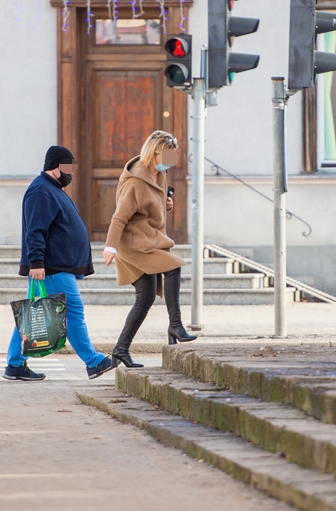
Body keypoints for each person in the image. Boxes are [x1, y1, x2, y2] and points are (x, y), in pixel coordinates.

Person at [4, 146, 114, 381]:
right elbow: (35, 230)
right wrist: (36, 261)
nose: (71, 173)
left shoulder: (51, 188)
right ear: (56, 166)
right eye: (68, 167)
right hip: (51, 267)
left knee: (31, 314)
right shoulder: (41, 191)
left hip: (55, 266)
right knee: (73, 313)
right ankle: (93, 361)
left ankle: (15, 364)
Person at [103, 131, 195, 368]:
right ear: (154, 153)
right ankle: (175, 325)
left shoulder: (160, 175)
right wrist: (110, 247)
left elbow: (153, 205)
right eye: (167, 155)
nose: (170, 160)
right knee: (174, 266)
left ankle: (120, 349)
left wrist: (167, 203)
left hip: (149, 239)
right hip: (134, 244)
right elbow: (119, 218)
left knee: (144, 299)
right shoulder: (135, 182)